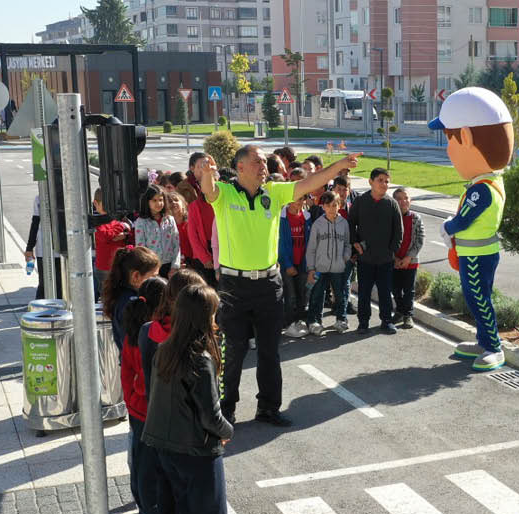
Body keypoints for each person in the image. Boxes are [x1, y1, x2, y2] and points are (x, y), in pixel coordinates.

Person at [192, 144, 359, 426]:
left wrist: (337, 167)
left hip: (269, 283)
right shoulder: (226, 194)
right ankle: (226, 408)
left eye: (263, 162)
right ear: (240, 167)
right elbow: (209, 190)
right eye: (257, 162)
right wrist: (207, 173)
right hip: (234, 285)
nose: (263, 167)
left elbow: (309, 183)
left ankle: (268, 407)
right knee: (234, 350)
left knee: (270, 350)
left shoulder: (274, 192)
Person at [143, 284, 248, 514]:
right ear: (205, 317)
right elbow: (212, 417)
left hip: (165, 449)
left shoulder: (166, 349)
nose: (217, 318)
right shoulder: (199, 359)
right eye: (214, 312)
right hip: (198, 453)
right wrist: (230, 431)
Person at [430, 86, 514, 371]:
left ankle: (493, 347)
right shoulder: (488, 182)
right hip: (476, 253)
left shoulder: (482, 190)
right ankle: (482, 341)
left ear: (465, 137)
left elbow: (463, 220)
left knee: (479, 299)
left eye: (449, 140)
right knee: (475, 297)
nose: (447, 149)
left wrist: (447, 228)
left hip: (478, 256)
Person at [139, 268, 205, 514]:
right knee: (186, 506)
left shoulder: (148, 331)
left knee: (167, 495)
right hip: (183, 433)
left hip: (153, 423)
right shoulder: (184, 340)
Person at [120, 276, 167, 514]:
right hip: (150, 412)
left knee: (139, 466)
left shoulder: (132, 332)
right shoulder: (151, 334)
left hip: (136, 412)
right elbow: (144, 380)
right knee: (152, 470)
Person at [348, 167, 404, 334]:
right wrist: (355, 243)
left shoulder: (391, 204)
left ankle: (386, 321)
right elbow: (351, 223)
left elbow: (398, 230)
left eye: (387, 181)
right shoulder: (360, 201)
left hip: (385, 259)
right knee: (364, 292)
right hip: (365, 258)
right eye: (380, 180)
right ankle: (363, 322)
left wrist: (392, 251)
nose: (384, 184)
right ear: (370, 181)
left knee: (385, 292)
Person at [304, 191, 352, 334]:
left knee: (340, 294)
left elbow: (347, 244)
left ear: (339, 205)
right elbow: (311, 248)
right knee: (317, 295)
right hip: (320, 267)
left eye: (335, 205)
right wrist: (311, 268)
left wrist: (345, 257)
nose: (332, 208)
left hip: (338, 267)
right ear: (323, 206)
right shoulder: (317, 224)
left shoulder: (344, 223)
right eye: (328, 205)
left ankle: (341, 319)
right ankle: (314, 321)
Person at [103, 245, 161, 351]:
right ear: (136, 276)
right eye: (153, 277)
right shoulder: (130, 303)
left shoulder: (124, 297)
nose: (157, 281)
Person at [277, 193, 312, 338]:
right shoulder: (282, 218)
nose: (299, 202)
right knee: (289, 295)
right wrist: (287, 264)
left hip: (302, 263)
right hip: (288, 265)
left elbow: (310, 242)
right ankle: (289, 323)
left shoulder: (307, 217)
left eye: (302, 199)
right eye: (296, 199)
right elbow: (280, 244)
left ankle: (300, 321)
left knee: (302, 293)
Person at [182, 153, 218, 287]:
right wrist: (204, 258)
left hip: (221, 251)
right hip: (204, 253)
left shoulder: (221, 202)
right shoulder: (194, 206)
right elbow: (193, 235)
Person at [391, 187, 425, 329]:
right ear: (394, 201)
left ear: (410, 201)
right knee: (395, 288)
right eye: (399, 199)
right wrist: (395, 259)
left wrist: (409, 257)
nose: (403, 201)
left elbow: (420, 239)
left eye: (405, 198)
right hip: (394, 262)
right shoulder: (390, 218)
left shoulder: (416, 218)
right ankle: (399, 310)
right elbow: (386, 239)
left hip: (410, 262)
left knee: (408, 290)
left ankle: (408, 315)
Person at [134, 184, 181, 278]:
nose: (159, 203)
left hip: (169, 267)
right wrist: (148, 269)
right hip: (151, 268)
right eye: (154, 200)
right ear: (147, 201)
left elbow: (176, 244)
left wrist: (175, 266)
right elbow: (141, 249)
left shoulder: (170, 219)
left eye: (161, 200)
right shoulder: (141, 222)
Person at [93, 188, 132, 301]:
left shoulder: (117, 219)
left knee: (120, 297)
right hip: (104, 268)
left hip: (120, 265)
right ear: (96, 203)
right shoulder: (97, 221)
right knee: (108, 299)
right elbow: (105, 235)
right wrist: (122, 226)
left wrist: (122, 231)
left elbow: (129, 231)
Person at [24, 194, 62, 300]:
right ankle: (42, 311)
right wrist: (29, 248)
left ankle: (44, 310)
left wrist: (29, 248)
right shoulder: (39, 198)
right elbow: (35, 223)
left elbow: (35, 223)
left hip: (51, 250)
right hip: (48, 250)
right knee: (48, 285)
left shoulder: (40, 198)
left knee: (47, 284)